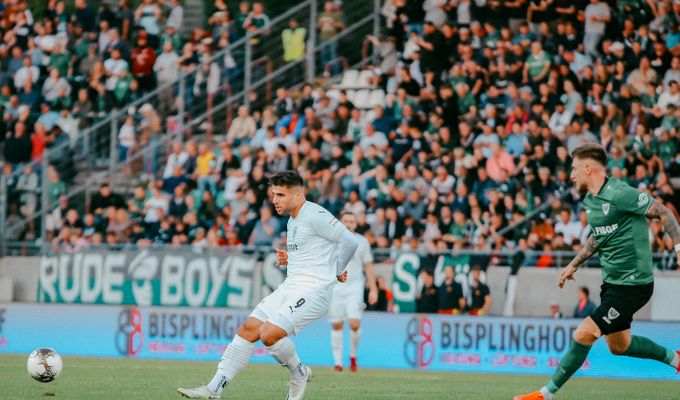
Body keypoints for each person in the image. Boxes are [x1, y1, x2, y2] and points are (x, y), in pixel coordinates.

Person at [514, 144, 680, 400]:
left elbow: (664, 212)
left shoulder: (620, 193)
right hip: (612, 284)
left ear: (588, 168)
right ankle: (675, 359)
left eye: (574, 169)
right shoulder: (590, 201)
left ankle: (546, 394)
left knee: (584, 332)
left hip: (633, 284)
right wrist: (574, 264)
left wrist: (678, 246)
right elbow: (597, 237)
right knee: (619, 346)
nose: (571, 175)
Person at [177, 170, 359, 400]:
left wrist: (337, 270)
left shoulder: (315, 214)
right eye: (274, 194)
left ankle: (299, 373)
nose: (275, 200)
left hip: (314, 291)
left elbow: (349, 241)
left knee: (269, 334)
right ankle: (213, 390)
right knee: (248, 329)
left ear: (298, 195)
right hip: (291, 286)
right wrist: (290, 258)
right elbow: (313, 252)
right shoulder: (294, 219)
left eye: (281, 195)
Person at [327, 211, 379, 372]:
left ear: (356, 224)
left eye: (352, 221)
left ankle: (353, 356)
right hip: (335, 287)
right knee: (337, 324)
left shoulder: (362, 242)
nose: (349, 224)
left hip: (355, 287)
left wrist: (373, 289)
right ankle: (337, 363)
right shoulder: (331, 241)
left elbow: (368, 266)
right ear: (340, 223)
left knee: (355, 323)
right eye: (346, 221)